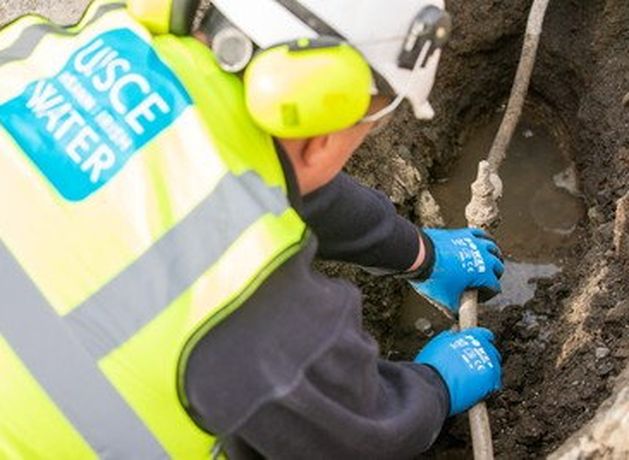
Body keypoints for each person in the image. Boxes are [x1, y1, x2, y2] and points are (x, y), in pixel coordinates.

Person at [0, 0, 504, 458]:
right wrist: (434, 385)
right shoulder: (243, 297)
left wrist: (416, 252)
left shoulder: (44, 52)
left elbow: (254, 180)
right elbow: (358, 431)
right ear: (327, 136)